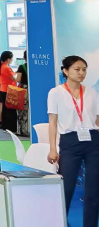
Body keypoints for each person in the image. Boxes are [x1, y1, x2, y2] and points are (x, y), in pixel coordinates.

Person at [47, 55, 99, 227]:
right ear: (65, 71)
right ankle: (59, 223)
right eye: (77, 69)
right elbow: (53, 122)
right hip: (69, 142)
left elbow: (97, 120)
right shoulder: (56, 93)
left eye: (84, 69)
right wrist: (53, 149)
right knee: (66, 187)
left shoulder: (92, 93)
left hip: (93, 141)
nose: (81, 73)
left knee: (94, 189)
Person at [0, 51, 15, 129]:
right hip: (8, 90)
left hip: (4, 89)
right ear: (8, 59)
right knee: (9, 110)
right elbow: (14, 79)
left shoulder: (2, 66)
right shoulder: (6, 67)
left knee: (6, 109)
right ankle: (9, 126)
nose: (12, 60)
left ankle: (5, 126)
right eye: (11, 58)